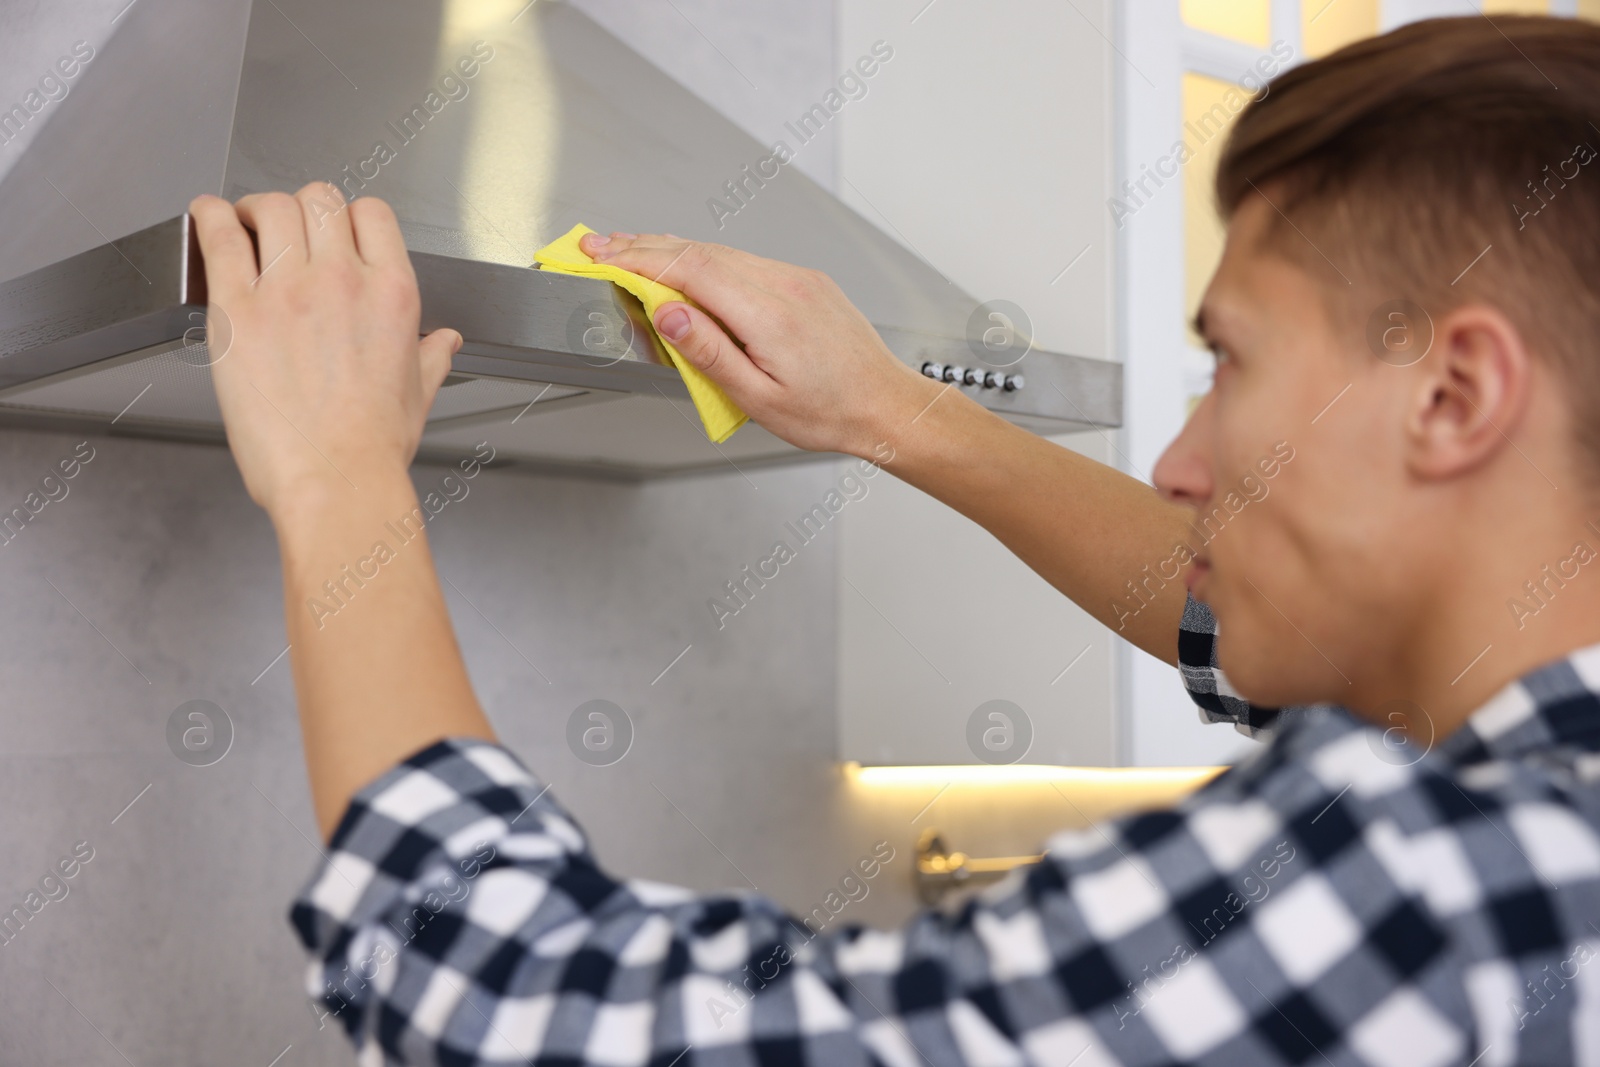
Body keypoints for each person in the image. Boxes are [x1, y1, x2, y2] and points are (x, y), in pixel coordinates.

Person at [189, 15, 1600, 1067]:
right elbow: (1230, 617)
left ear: (1456, 395)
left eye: (1229, 364)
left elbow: (514, 1012)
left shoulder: (1440, 881)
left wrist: (334, 476)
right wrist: (889, 412)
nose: (1176, 467)